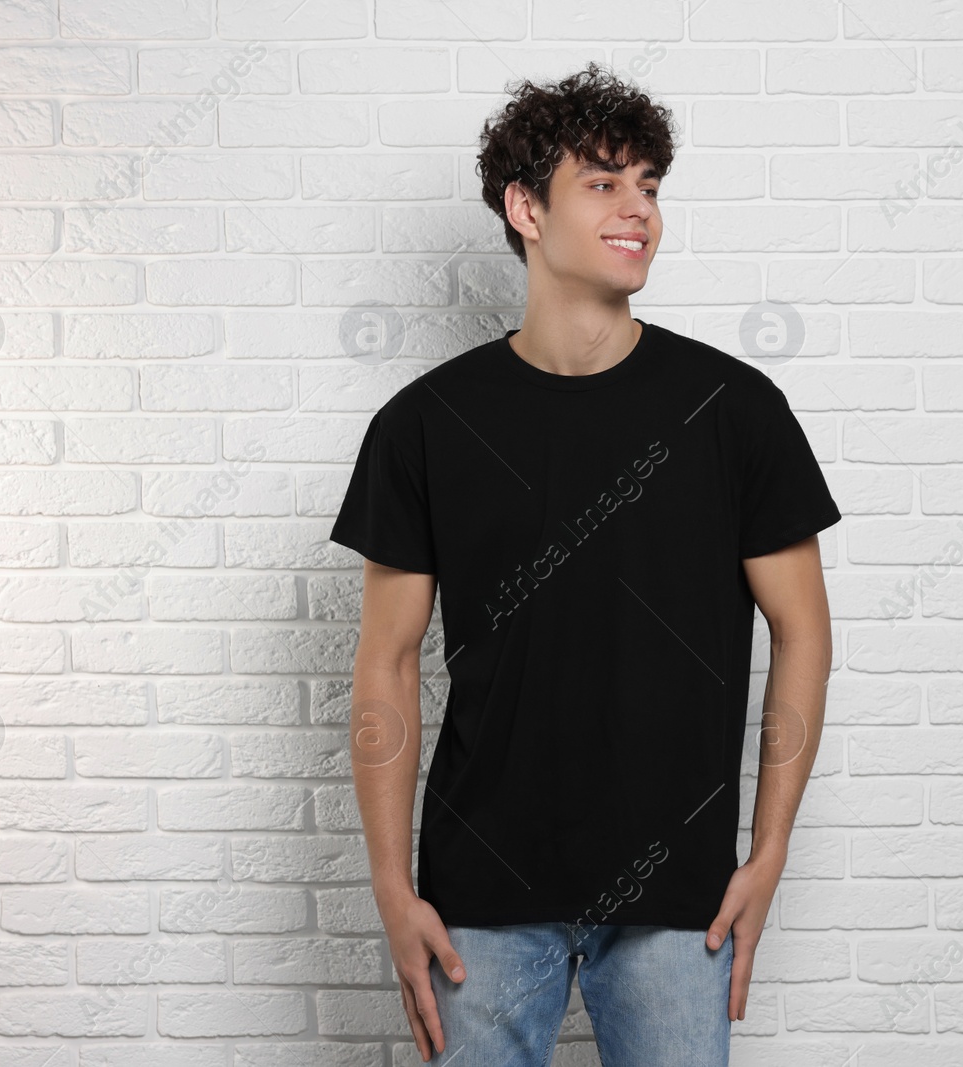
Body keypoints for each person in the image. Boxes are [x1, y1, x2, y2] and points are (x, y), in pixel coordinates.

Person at [330, 61, 842, 1066]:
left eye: (648, 184)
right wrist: (393, 889)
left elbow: (804, 630)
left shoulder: (733, 411)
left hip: (675, 900)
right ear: (525, 207)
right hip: (476, 899)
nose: (638, 210)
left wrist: (768, 849)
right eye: (603, 183)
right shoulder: (426, 426)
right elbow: (384, 665)